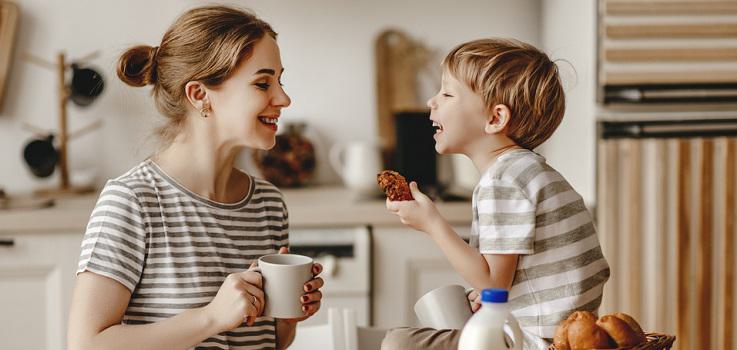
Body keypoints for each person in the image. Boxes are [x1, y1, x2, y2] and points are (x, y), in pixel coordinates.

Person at [67, 5, 324, 350]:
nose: (283, 98)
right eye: (263, 83)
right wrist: (212, 318)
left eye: (280, 80)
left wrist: (286, 319)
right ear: (200, 95)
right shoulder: (134, 201)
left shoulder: (268, 205)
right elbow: (85, 344)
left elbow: (266, 341)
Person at [381, 38, 610, 350]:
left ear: (495, 118)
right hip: (555, 335)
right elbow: (511, 279)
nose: (431, 102)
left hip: (533, 342)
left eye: (447, 93)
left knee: (398, 342)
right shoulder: (526, 171)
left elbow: (492, 283)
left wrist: (432, 223)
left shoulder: (503, 180)